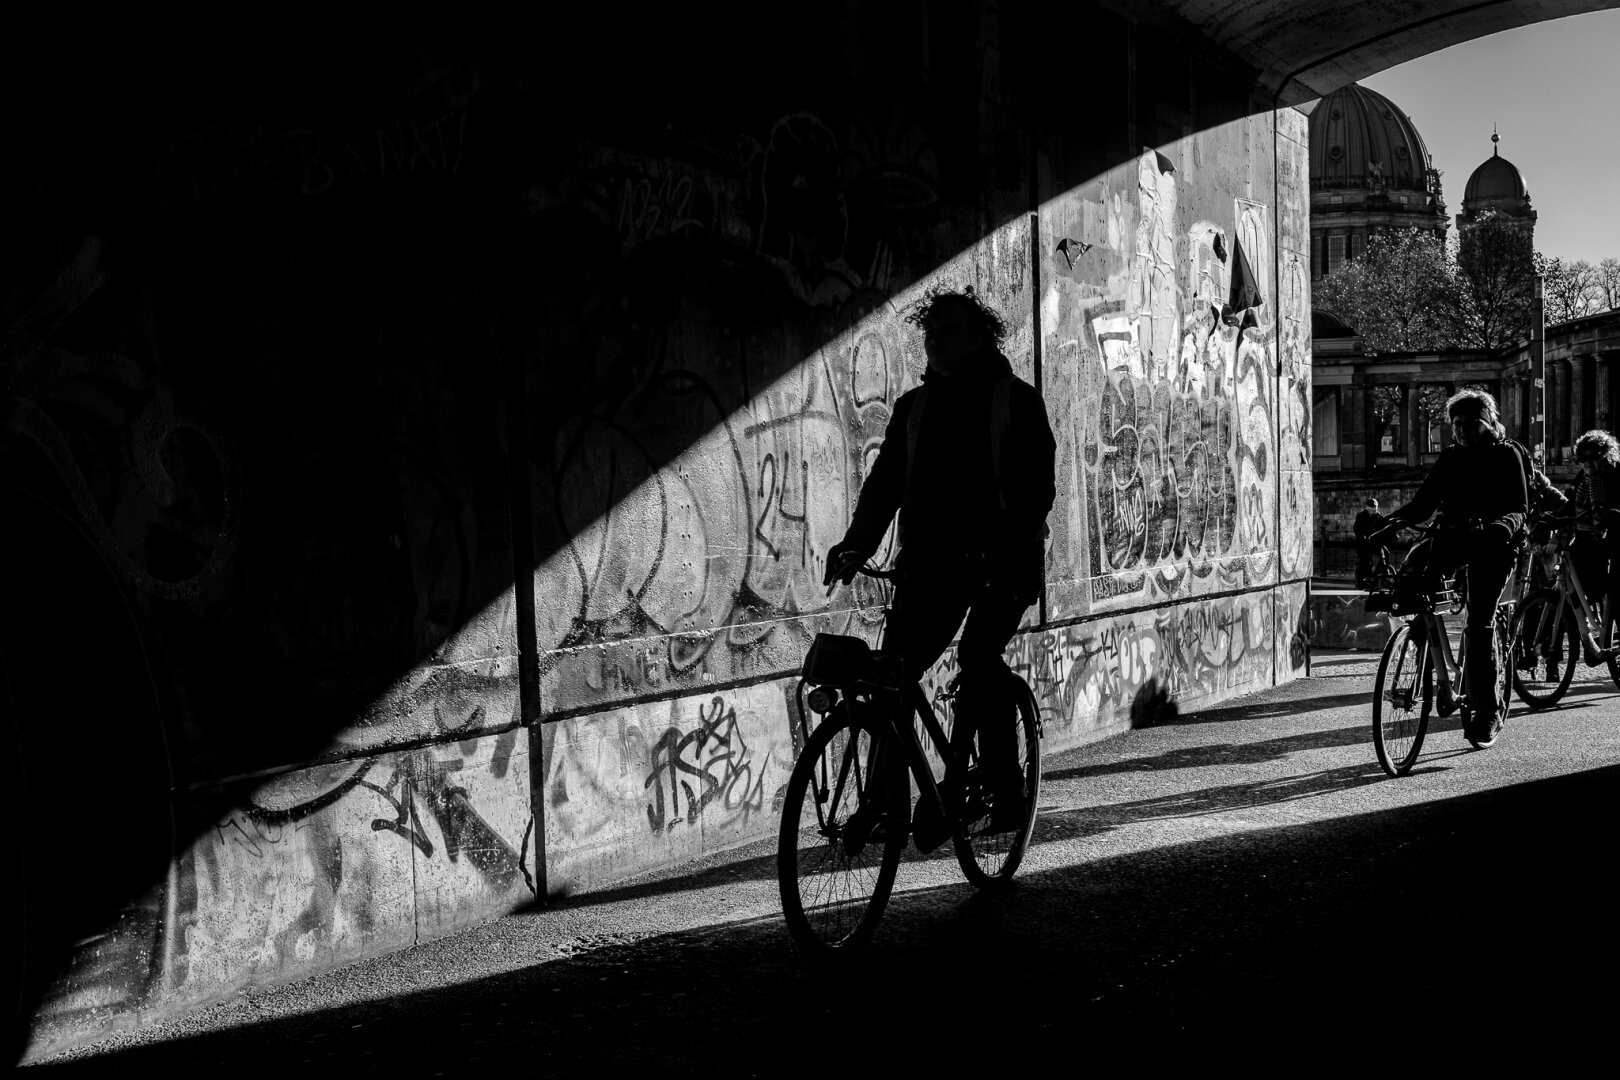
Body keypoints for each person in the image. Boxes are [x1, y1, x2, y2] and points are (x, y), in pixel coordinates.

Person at [822, 288, 1056, 842]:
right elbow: (883, 488)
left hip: (1004, 565)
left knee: (978, 657)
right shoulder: (914, 409)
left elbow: (1036, 489)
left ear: (980, 339)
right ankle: (883, 801)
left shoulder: (1015, 402)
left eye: (949, 332)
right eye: (931, 334)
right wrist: (854, 545)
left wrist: (1009, 543)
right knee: (892, 674)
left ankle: (1004, 787)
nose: (936, 343)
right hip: (931, 568)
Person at [1379, 388, 1528, 746]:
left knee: (1478, 622)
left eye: (1470, 423)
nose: (1462, 430)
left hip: (1495, 545)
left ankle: (1487, 710)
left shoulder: (1507, 455)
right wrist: (1390, 522)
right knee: (1414, 579)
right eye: (1456, 424)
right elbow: (1422, 504)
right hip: (1456, 537)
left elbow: (1519, 507)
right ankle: (1425, 656)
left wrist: (1501, 527)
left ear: (1488, 421)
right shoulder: (1449, 458)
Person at [1567, 430, 1620, 656]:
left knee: (1615, 591)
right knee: (1570, 580)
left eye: (1592, 457)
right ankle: (1590, 637)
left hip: (1613, 539)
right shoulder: (1586, 477)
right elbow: (1570, 503)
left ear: (1606, 455)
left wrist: (1613, 514)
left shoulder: (1615, 476)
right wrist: (1551, 517)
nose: (1587, 463)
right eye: (1582, 459)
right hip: (1587, 541)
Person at [1353, 498, 1385, 588]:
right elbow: (1357, 529)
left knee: (1385, 553)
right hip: (1363, 543)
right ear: (1367, 507)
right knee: (1366, 562)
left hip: (1374, 542)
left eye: (1375, 507)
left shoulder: (1378, 516)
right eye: (1371, 507)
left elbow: (1383, 527)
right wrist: (1363, 536)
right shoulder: (1361, 516)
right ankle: (1364, 582)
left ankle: (1378, 575)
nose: (1373, 509)